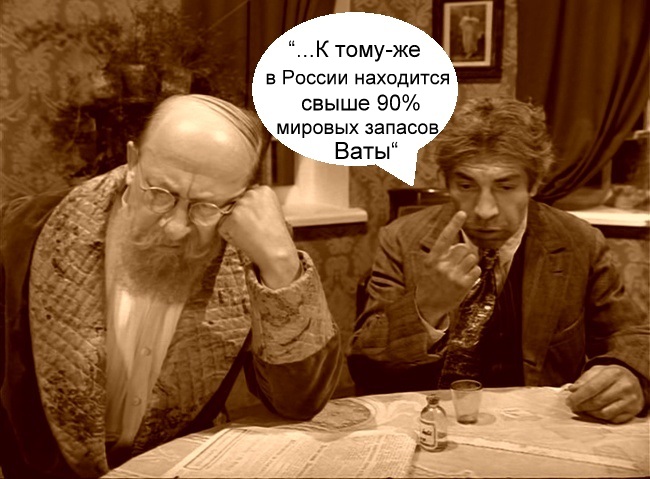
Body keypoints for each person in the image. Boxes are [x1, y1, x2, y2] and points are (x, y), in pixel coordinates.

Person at [0, 94, 342, 479]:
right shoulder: (23, 231)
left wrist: (281, 264)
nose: (177, 227)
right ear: (133, 162)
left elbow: (299, 402)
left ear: (242, 197)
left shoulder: (248, 249)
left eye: (205, 207)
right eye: (160, 195)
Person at [348, 97, 648, 424]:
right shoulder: (401, 239)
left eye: (505, 186)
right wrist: (426, 306)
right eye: (466, 185)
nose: (485, 210)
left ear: (534, 184)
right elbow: (365, 364)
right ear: (446, 183)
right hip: (432, 423)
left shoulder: (580, 242)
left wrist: (629, 372)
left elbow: (634, 336)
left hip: (542, 427)